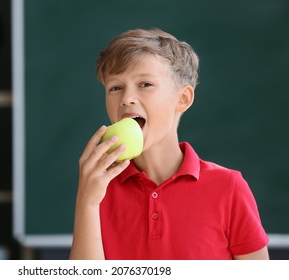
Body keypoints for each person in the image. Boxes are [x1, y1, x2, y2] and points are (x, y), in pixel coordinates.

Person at [69, 28, 269, 260]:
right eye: (115, 88)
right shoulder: (99, 190)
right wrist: (88, 203)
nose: (126, 99)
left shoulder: (229, 187)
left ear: (183, 99)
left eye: (145, 84)